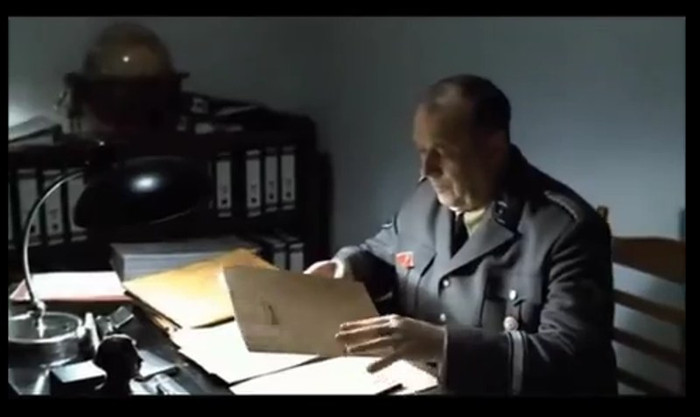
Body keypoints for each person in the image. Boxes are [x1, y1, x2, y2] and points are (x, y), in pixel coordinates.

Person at [305, 74, 618, 396]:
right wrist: (347, 267)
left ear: (493, 149)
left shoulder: (567, 230)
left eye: (442, 152)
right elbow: (382, 253)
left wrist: (443, 346)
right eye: (422, 150)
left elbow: (570, 361)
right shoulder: (425, 198)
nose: (426, 169)